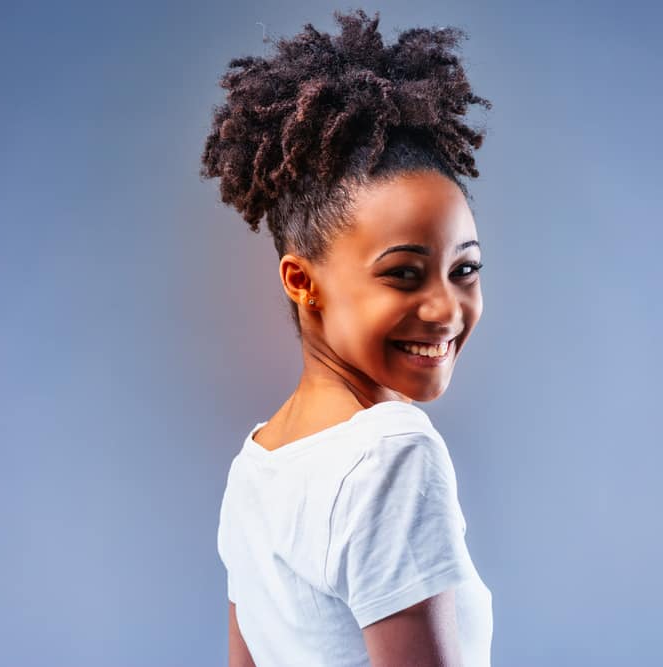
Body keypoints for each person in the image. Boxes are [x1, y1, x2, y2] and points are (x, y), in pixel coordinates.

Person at [200, 8, 494, 666]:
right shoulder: (393, 454)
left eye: (464, 268)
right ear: (303, 281)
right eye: (403, 274)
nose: (446, 308)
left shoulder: (256, 466)